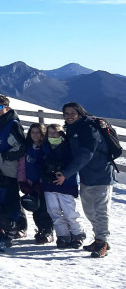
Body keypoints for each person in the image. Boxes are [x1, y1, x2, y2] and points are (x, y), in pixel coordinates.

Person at [55, 102, 114, 258]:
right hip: (86, 175)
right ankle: (99, 239)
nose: (68, 116)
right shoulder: (73, 128)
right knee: (89, 210)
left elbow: (86, 154)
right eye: (66, 113)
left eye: (72, 113)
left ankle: (102, 242)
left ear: (80, 113)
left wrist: (66, 173)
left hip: (101, 175)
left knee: (100, 210)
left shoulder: (89, 128)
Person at [41, 123, 85, 248]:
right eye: (50, 133)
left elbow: (74, 164)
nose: (53, 135)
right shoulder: (45, 146)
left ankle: (77, 234)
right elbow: (40, 163)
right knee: (53, 211)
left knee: (69, 211)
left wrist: (64, 174)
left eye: (56, 133)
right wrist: (44, 174)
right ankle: (63, 236)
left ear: (61, 134)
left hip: (66, 183)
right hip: (49, 184)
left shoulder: (69, 146)